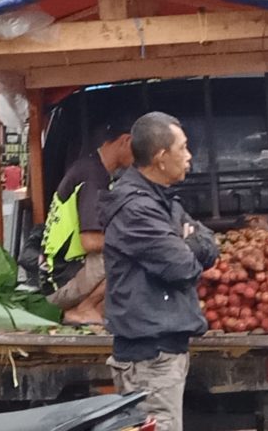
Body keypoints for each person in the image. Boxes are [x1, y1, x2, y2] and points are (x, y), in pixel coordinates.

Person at [99, 112, 218, 431]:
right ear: (161, 157)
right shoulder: (135, 208)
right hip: (148, 359)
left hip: (163, 353)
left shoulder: (161, 200)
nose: (190, 156)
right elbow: (181, 267)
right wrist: (185, 244)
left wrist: (188, 243)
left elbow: (209, 243)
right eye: (184, 148)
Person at [40, 119, 135, 325]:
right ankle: (85, 309)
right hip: (62, 280)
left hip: (60, 274)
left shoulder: (91, 168)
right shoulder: (93, 177)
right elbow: (90, 242)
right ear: (126, 141)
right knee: (137, 254)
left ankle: (91, 309)